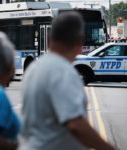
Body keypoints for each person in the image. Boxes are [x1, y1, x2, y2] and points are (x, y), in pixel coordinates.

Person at [19, 12, 115, 150]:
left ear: (50, 38)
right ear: (79, 41)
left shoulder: (33, 69)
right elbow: (75, 124)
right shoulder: (63, 71)